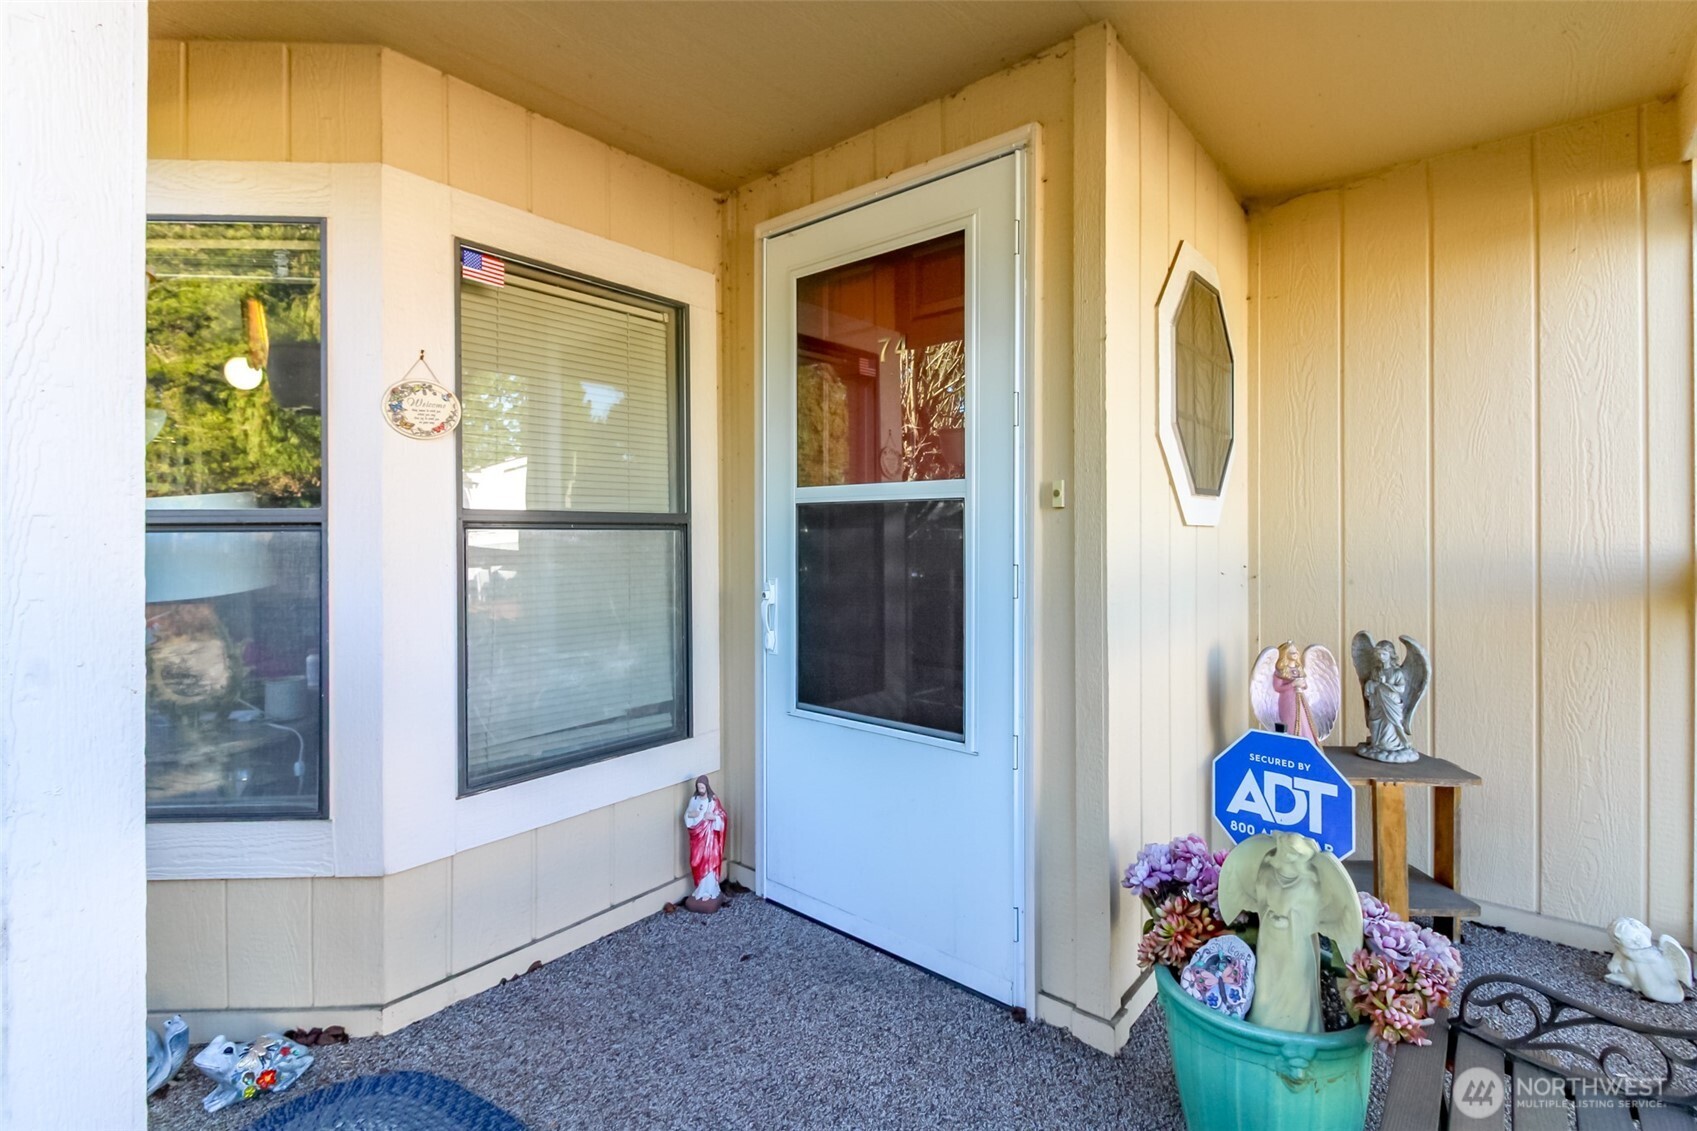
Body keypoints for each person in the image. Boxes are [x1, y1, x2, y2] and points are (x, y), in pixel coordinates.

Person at [683, 775, 727, 909]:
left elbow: (723, 816)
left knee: (709, 860)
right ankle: (701, 889)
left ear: (707, 787)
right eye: (698, 787)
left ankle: (710, 890)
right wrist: (692, 815)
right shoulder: (694, 799)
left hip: (709, 838)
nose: (700, 789)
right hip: (697, 836)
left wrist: (713, 817)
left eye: (702, 787)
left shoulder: (713, 801)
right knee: (696, 861)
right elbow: (687, 815)